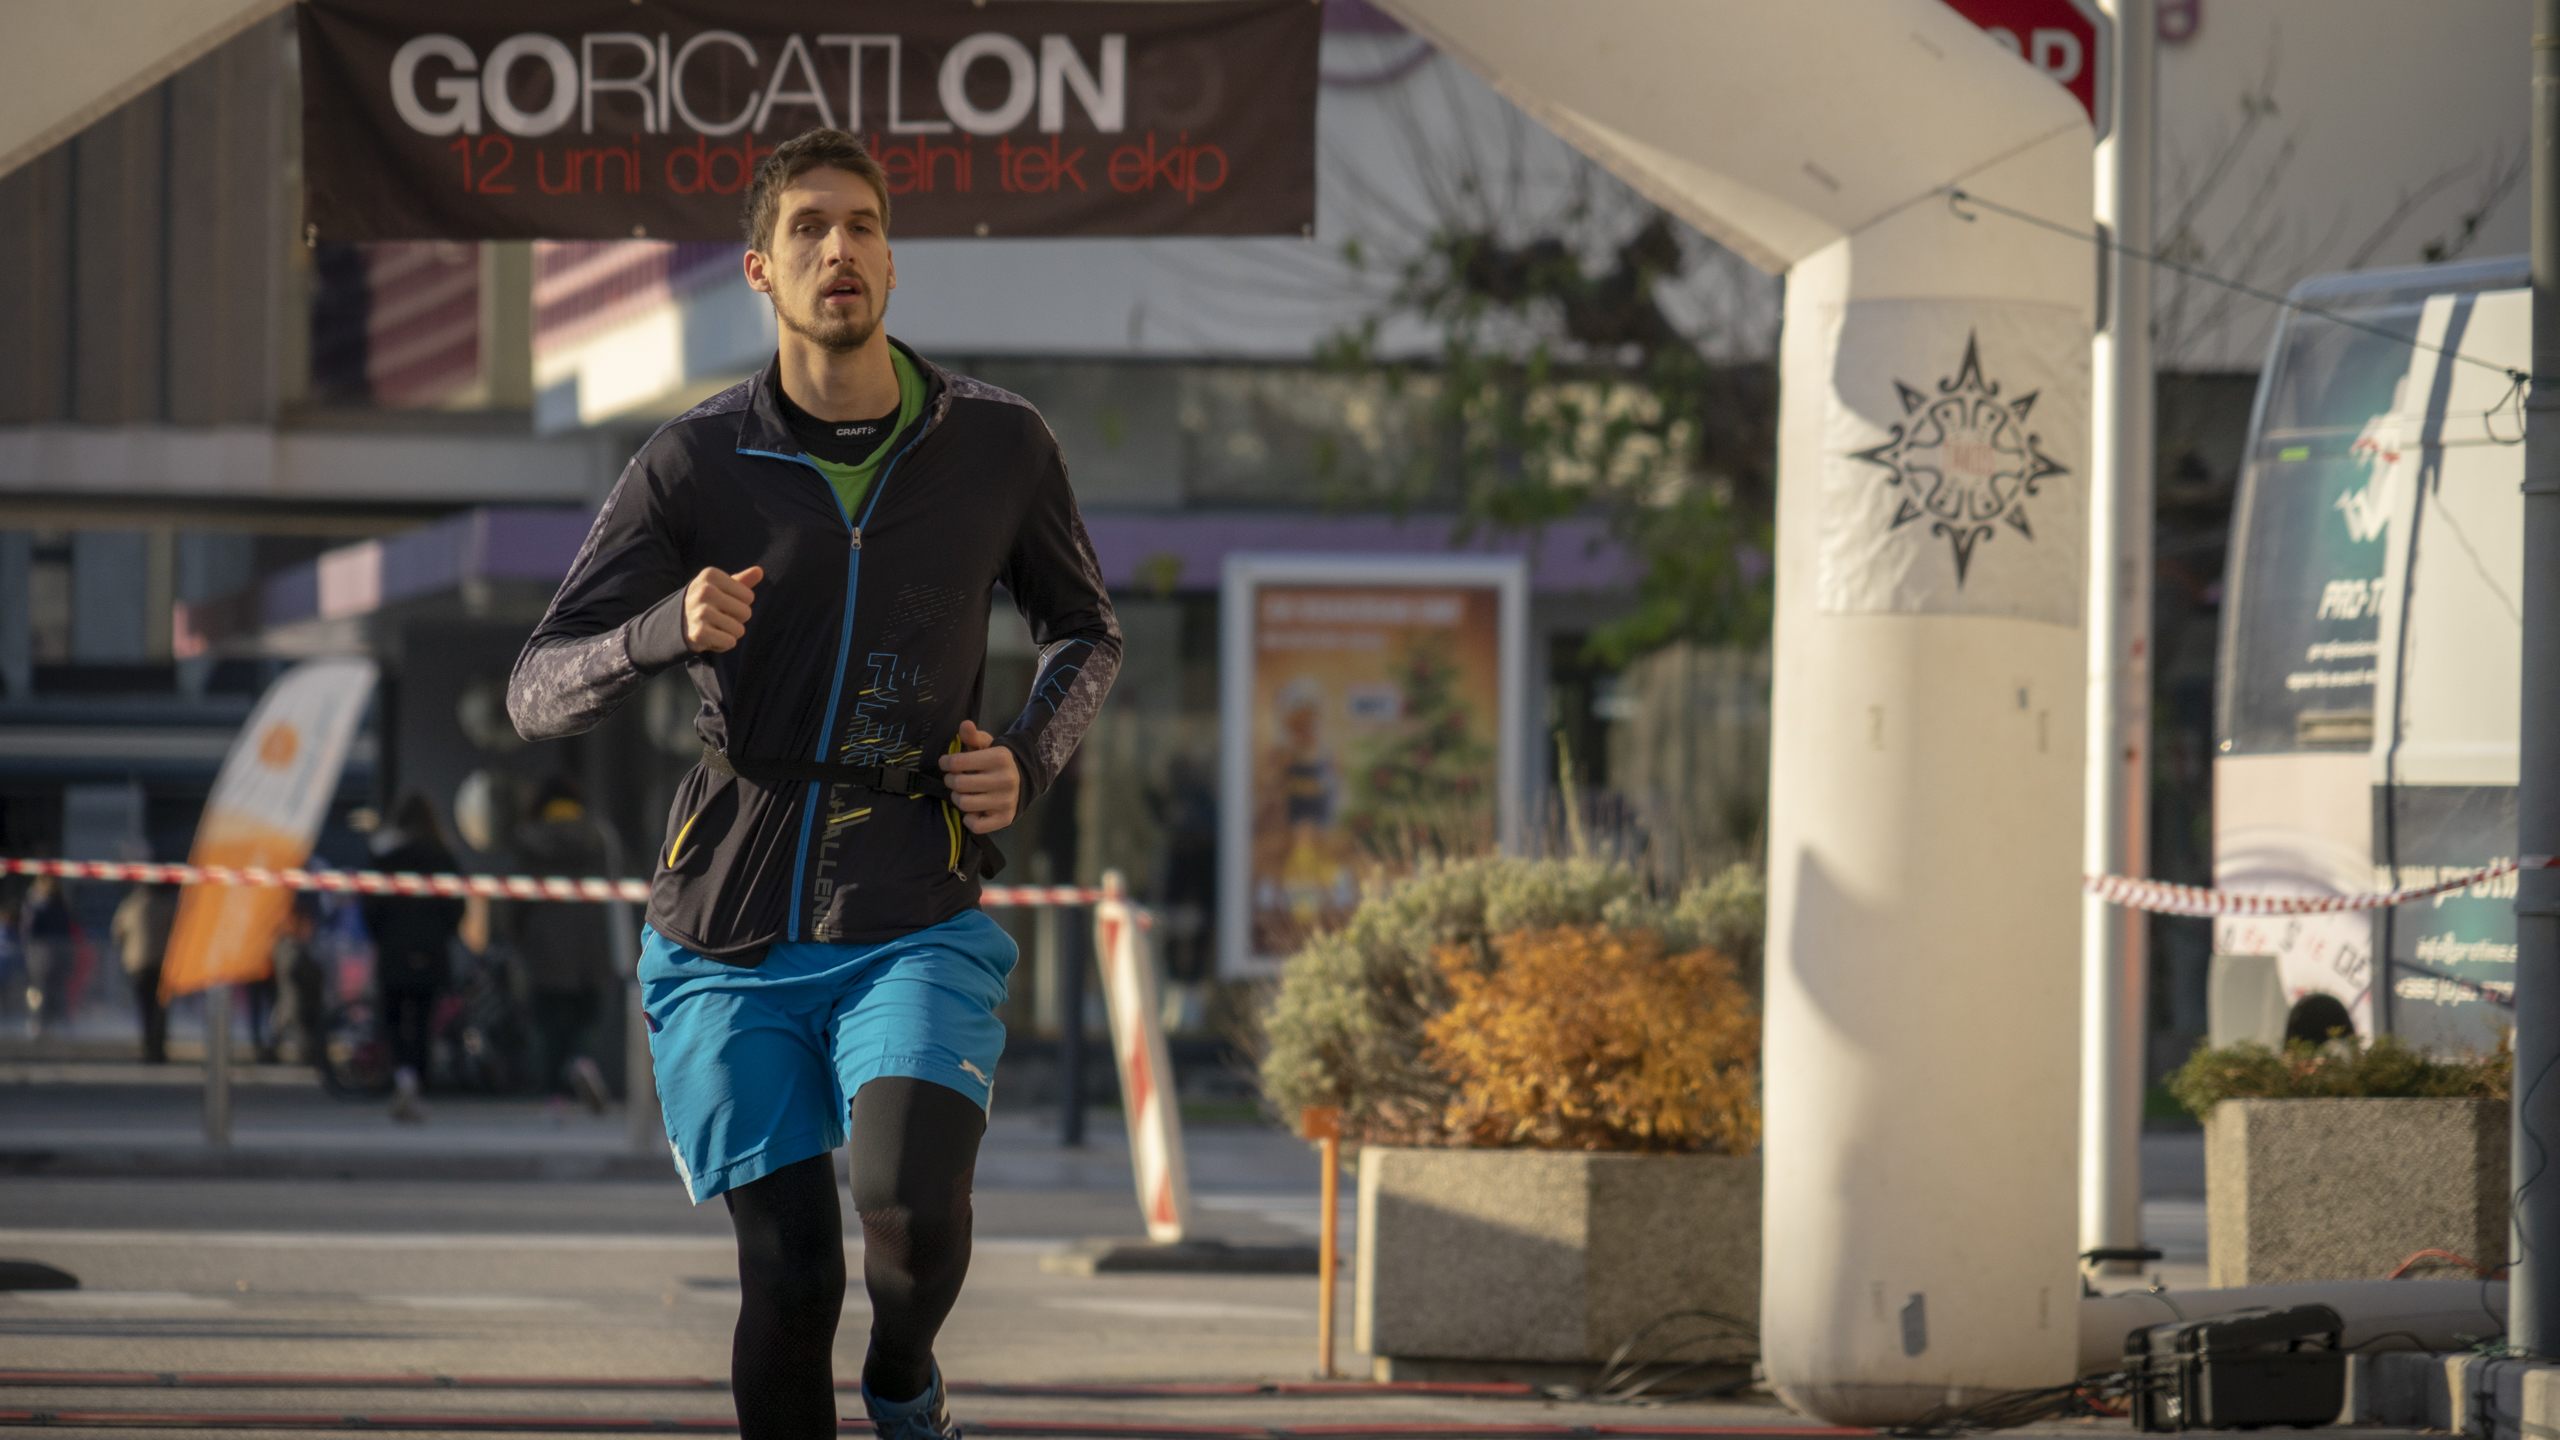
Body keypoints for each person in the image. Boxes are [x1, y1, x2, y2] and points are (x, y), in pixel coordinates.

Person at [507, 128, 1118, 1440]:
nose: (837, 248)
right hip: (725, 924)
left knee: (906, 1213)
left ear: (892, 264)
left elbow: (1086, 632)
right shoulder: (692, 461)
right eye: (806, 229)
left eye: (861, 226)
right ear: (759, 271)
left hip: (913, 898)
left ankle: (902, 1378)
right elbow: (535, 687)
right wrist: (660, 630)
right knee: (790, 1276)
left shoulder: (998, 443)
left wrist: (1027, 757)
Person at [510, 775, 618, 1111]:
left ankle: (554, 1093)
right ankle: (583, 1063)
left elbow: (518, 897)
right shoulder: (597, 836)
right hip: (590, 939)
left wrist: (516, 935)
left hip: (545, 940)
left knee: (548, 1019)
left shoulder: (529, 839)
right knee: (585, 1014)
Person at [359, 790, 464, 1122]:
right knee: (421, 1022)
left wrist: (383, 937)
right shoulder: (442, 856)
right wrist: (440, 935)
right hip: (431, 951)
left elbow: (371, 908)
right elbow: (456, 907)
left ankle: (402, 1076)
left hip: (393, 950)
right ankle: (418, 1084)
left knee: (392, 1018)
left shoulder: (385, 856)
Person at [110, 882, 178, 1062]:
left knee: (145, 1009)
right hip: (163, 964)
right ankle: (158, 1049)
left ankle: (148, 1048)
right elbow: (178, 930)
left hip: (138, 965)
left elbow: (117, 933)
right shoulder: (166, 905)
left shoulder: (130, 905)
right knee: (160, 1009)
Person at [18, 874, 73, 1039]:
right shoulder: (63, 907)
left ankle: (38, 1026)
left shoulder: (36, 907)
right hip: (58, 957)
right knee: (56, 994)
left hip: (40, 959)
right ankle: (58, 1027)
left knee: (39, 994)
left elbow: (28, 933)